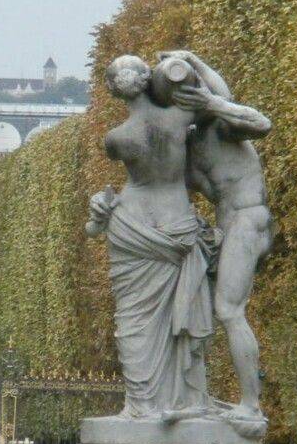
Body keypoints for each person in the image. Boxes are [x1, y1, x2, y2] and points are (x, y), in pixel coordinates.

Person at [87, 55, 217, 419]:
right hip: (175, 222)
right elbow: (217, 98)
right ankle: (183, 400)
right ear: (149, 78)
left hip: (131, 225)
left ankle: (141, 404)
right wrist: (194, 65)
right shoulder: (179, 118)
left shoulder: (115, 139)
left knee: (132, 323)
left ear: (112, 90)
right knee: (179, 322)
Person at [161, 50, 272, 422]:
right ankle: (195, 397)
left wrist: (206, 88)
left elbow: (262, 123)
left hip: (247, 219)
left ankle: (251, 405)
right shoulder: (190, 145)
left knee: (229, 310)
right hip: (224, 228)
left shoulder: (224, 125)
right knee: (194, 310)